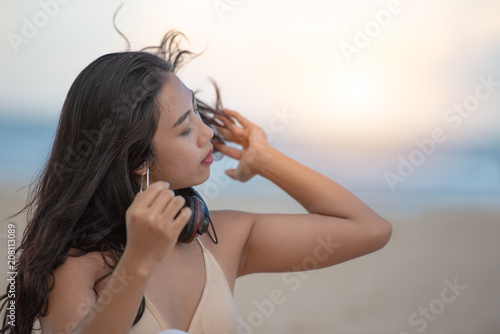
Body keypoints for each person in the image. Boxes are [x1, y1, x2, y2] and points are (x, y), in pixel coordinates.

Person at [0, 31, 392, 334]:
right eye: (186, 128)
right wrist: (136, 263)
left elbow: (369, 229)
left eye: (198, 114)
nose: (207, 134)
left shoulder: (221, 240)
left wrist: (267, 160)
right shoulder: (77, 266)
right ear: (139, 160)